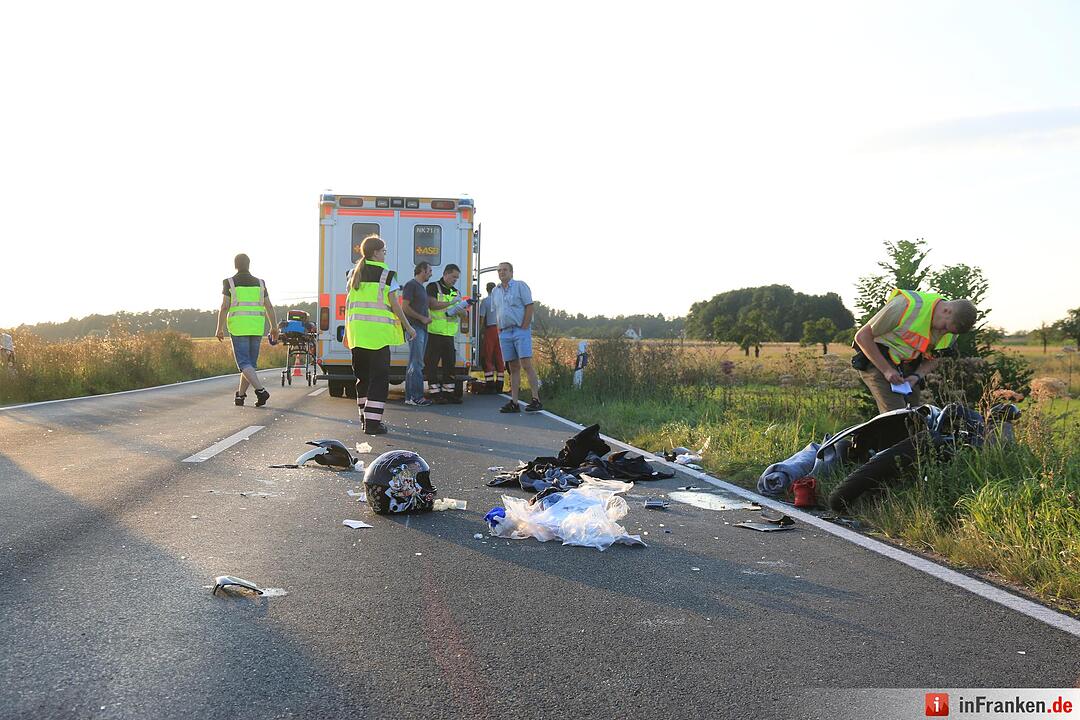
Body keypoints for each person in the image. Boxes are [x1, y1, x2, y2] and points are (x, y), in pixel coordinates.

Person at [853, 288, 977, 413]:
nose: (943, 333)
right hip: (877, 359)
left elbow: (937, 357)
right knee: (896, 415)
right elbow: (862, 337)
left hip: (906, 367)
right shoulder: (904, 305)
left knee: (914, 416)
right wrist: (887, 370)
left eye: (949, 331)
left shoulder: (952, 330)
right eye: (944, 327)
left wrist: (916, 376)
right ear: (946, 311)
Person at [346, 234, 416, 435]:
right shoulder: (387, 275)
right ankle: (373, 424)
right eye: (384, 251)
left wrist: (346, 334)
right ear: (376, 253)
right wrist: (408, 327)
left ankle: (364, 418)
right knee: (379, 379)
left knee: (363, 378)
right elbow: (395, 305)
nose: (385, 255)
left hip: (357, 335)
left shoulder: (353, 273)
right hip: (377, 336)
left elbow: (349, 306)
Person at [216, 253, 278, 407]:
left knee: (244, 364)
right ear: (249, 265)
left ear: (235, 265)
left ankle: (261, 391)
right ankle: (241, 395)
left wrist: (219, 327)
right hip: (256, 327)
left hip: (238, 328)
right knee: (249, 364)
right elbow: (268, 306)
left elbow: (225, 306)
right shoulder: (260, 283)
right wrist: (274, 326)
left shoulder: (229, 282)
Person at [491, 262, 542, 413]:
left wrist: (524, 326)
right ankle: (514, 402)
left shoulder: (520, 286)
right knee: (512, 367)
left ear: (511, 272)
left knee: (526, 364)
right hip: (505, 332)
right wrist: (499, 330)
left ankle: (536, 399)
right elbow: (497, 311)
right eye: (499, 270)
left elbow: (529, 306)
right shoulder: (495, 291)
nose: (501, 273)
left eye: (505, 270)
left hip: (520, 329)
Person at [424, 264, 473, 404]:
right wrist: (452, 303)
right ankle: (434, 393)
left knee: (449, 364)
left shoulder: (456, 292)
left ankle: (448, 392)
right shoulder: (433, 287)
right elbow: (432, 305)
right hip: (435, 332)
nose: (455, 280)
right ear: (445, 274)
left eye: (457, 278)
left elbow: (463, 314)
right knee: (431, 364)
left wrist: (462, 310)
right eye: (453, 277)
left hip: (449, 335)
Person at [400, 261, 433, 406]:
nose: (431, 273)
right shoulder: (411, 285)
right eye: (429, 270)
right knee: (417, 363)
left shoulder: (421, 288)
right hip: (415, 328)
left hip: (421, 328)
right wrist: (422, 318)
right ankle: (416, 396)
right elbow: (404, 307)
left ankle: (410, 397)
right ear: (422, 270)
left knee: (414, 363)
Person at [478, 281, 505, 394]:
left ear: (487, 289)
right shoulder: (501, 301)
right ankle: (500, 385)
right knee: (499, 356)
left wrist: (479, 332)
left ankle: (489, 385)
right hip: (501, 330)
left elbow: (481, 319)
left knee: (488, 356)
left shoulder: (485, 301)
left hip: (490, 330)